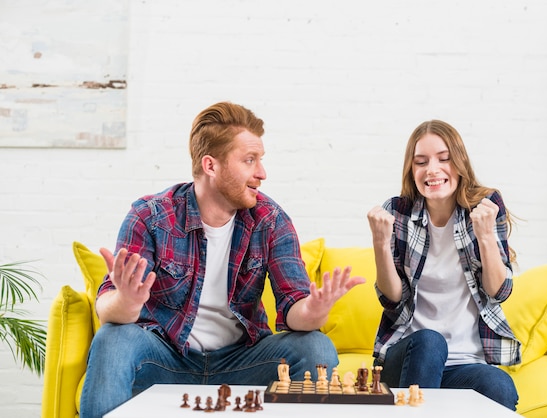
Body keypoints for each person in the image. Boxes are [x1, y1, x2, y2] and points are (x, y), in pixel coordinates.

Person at [80, 101, 365, 418]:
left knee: (315, 346)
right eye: (249, 160)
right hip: (165, 361)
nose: (262, 173)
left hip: (242, 363)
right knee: (113, 339)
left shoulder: (270, 220)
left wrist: (313, 309)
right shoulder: (150, 216)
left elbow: (296, 308)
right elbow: (106, 309)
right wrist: (128, 301)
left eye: (260, 160)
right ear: (211, 165)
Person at [366, 119, 521, 410]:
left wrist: (486, 236)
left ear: (459, 163)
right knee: (430, 343)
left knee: (499, 385)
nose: (432, 170)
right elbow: (391, 300)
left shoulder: (485, 206)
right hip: (411, 358)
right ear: (411, 172)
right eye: (420, 162)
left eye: (444, 158)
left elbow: (498, 292)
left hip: (465, 364)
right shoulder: (396, 212)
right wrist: (379, 244)